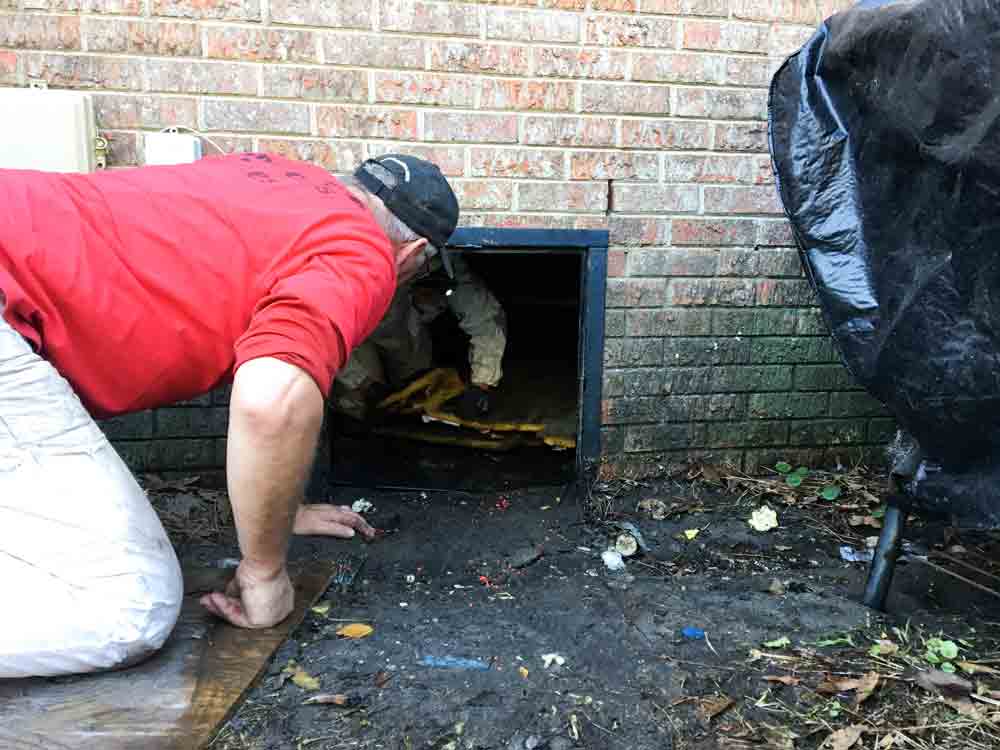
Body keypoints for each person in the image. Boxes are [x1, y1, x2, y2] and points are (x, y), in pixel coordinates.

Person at [0, 152, 459, 678]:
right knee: (126, 606)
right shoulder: (363, 250)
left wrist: (282, 511)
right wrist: (264, 572)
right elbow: (271, 401)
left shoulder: (272, 172)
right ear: (414, 252)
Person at [331, 236, 507, 424]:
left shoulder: (446, 267)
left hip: (406, 333)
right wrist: (363, 384)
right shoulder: (354, 265)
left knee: (415, 399)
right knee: (360, 405)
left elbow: (485, 318)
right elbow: (326, 331)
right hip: (354, 340)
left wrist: (481, 384)